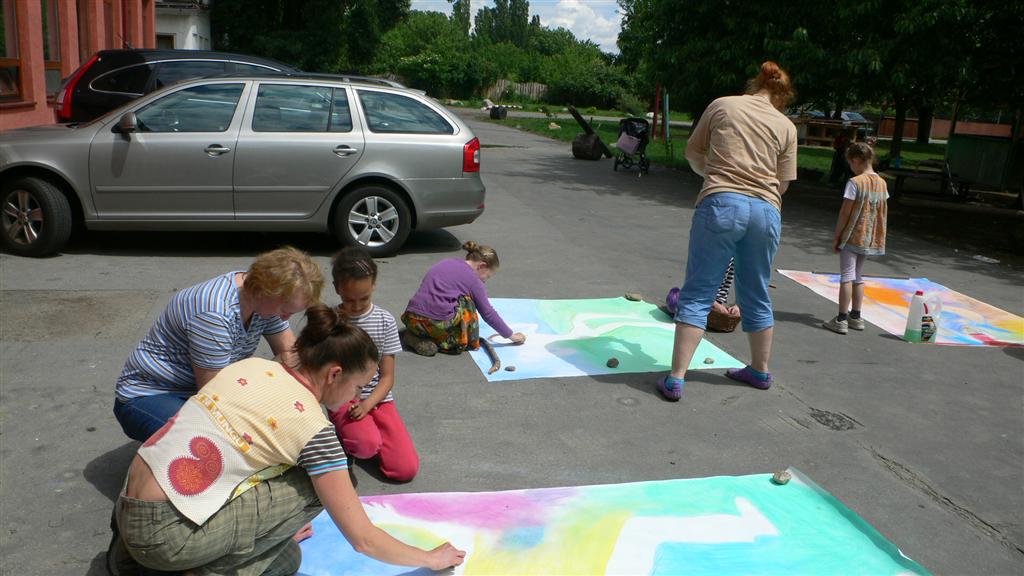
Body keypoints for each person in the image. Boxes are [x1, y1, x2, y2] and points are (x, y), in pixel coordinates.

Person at [107, 304, 466, 575]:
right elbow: (363, 539)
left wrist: (273, 533)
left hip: (127, 508)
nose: (356, 397)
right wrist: (430, 558)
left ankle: (136, 560)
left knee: (286, 557)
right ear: (334, 373)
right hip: (162, 536)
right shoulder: (314, 429)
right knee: (318, 483)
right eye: (358, 387)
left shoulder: (252, 366)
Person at [659, 61, 797, 401]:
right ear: (781, 95)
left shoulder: (722, 105)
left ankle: (676, 378)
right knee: (756, 292)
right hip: (766, 211)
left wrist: (714, 174)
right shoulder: (786, 126)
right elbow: (782, 184)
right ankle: (760, 371)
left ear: (754, 83)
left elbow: (693, 152)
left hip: (722, 204)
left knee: (698, 292)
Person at [114, 246, 323, 442]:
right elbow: (214, 393)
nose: (285, 318)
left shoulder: (264, 299)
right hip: (149, 393)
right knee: (219, 441)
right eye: (285, 310)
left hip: (196, 389)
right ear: (266, 291)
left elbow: (291, 354)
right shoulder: (214, 313)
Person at [329, 247, 419, 481]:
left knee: (405, 470)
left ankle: (365, 432)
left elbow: (387, 377)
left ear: (374, 285)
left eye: (364, 298)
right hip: (343, 398)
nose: (357, 306)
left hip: (377, 398)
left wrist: (368, 404)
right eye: (349, 300)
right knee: (366, 445)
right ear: (337, 288)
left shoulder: (384, 320)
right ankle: (343, 434)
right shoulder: (330, 320)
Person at [401, 241, 526, 356]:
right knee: (467, 302)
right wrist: (511, 336)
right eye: (487, 277)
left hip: (411, 318)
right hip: (435, 325)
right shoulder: (474, 281)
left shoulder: (447, 262)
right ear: (482, 266)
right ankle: (444, 341)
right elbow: (488, 313)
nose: (484, 281)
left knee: (452, 299)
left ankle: (415, 335)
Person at [823, 142, 888, 334]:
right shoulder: (882, 183)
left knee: (847, 276)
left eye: (851, 163)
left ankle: (841, 318)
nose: (850, 168)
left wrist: (837, 236)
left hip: (853, 234)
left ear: (856, 161)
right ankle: (856, 316)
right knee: (858, 276)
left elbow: (845, 212)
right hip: (870, 236)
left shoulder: (855, 182)